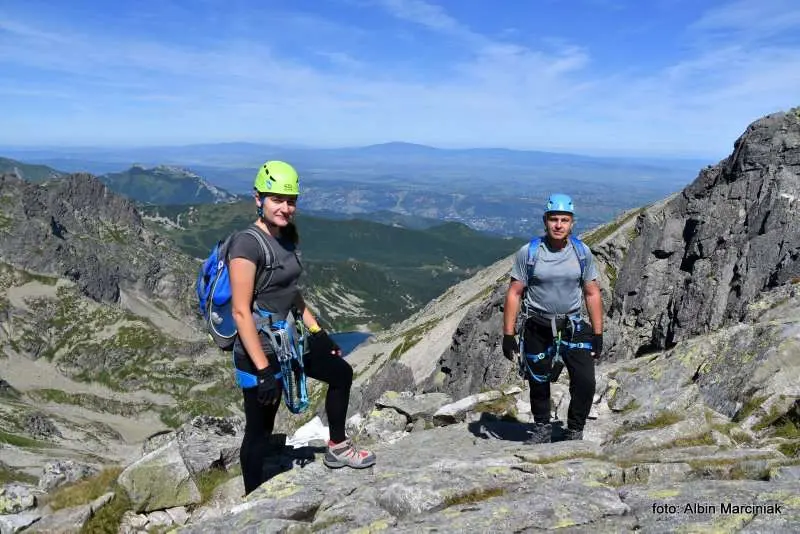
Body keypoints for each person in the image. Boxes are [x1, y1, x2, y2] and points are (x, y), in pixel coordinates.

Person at [229, 160, 376, 495]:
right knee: (260, 430)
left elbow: (292, 294)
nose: (285, 207)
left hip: (289, 341)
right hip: (260, 351)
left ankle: (337, 447)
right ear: (258, 199)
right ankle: (252, 500)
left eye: (290, 200)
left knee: (340, 373)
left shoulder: (286, 238)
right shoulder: (246, 244)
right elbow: (240, 312)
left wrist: (318, 333)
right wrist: (265, 371)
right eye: (276, 199)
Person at [501, 193, 603, 443]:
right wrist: (508, 333)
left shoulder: (582, 253)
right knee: (538, 380)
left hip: (573, 326)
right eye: (554, 219)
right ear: (545, 221)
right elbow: (515, 293)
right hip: (538, 325)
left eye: (564, 220)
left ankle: (575, 429)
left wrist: (598, 333)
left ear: (572, 223)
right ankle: (542, 428)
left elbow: (592, 293)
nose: (559, 225)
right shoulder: (530, 253)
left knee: (585, 381)